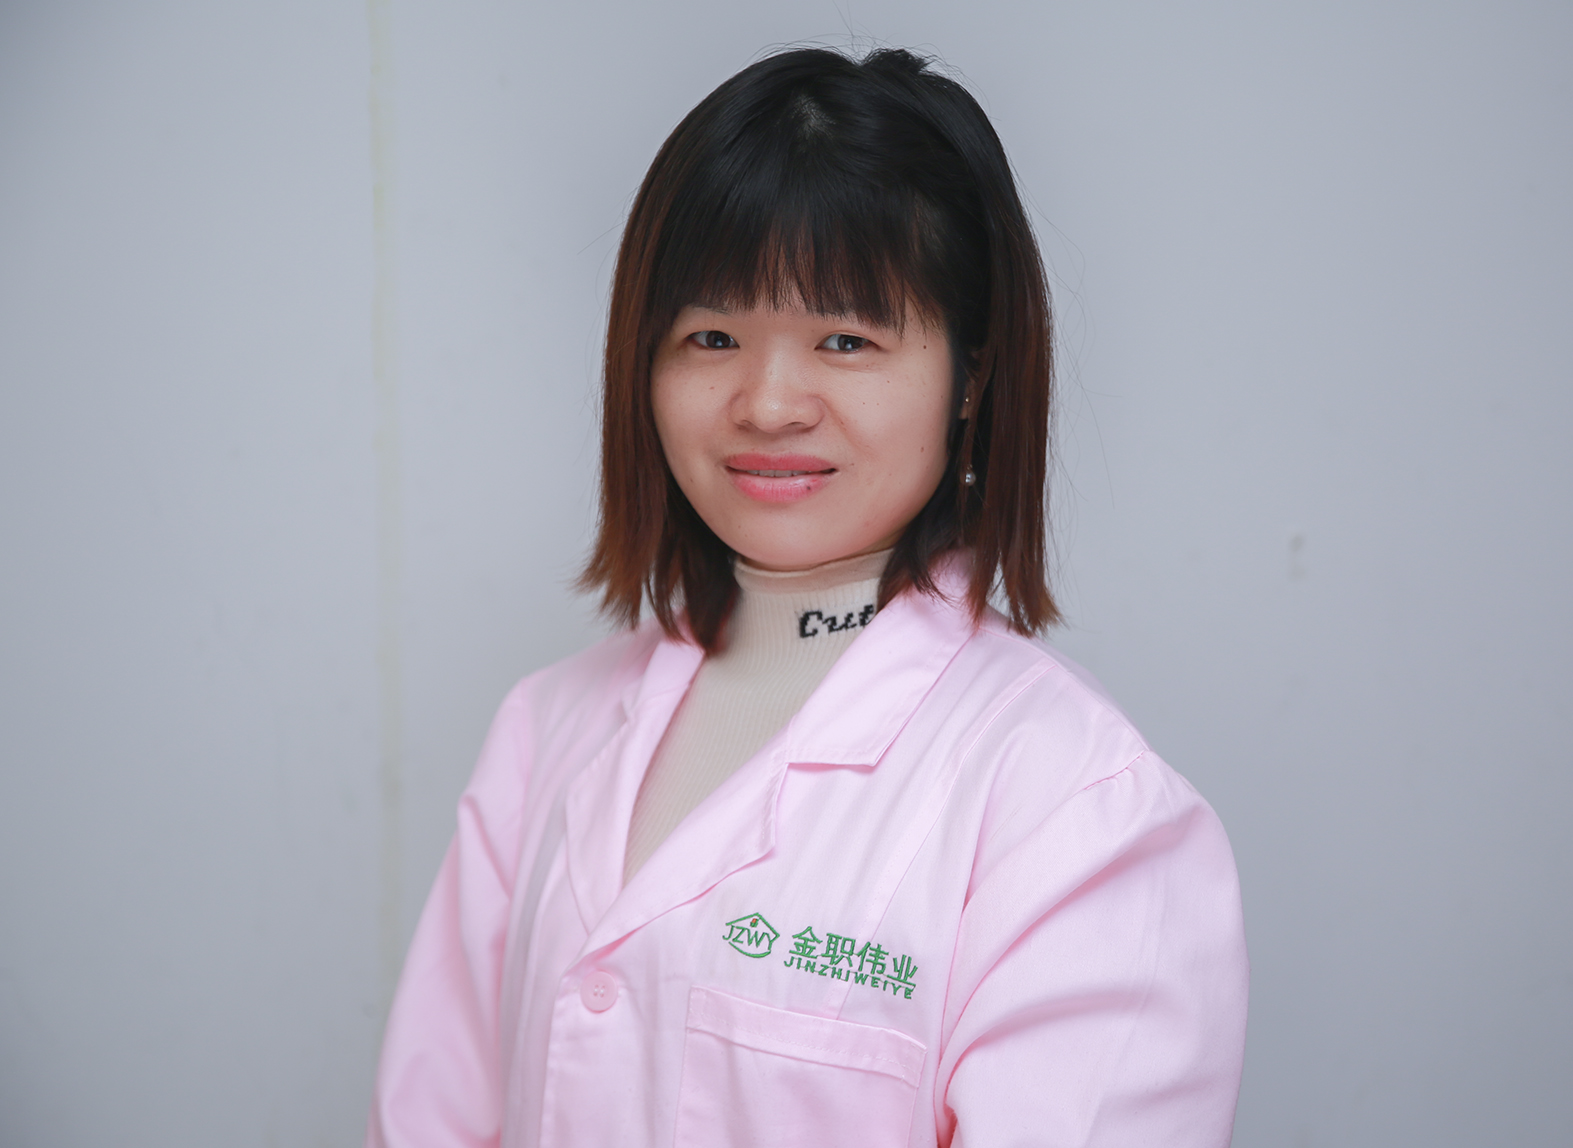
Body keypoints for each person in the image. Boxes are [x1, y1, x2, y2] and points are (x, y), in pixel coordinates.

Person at [367, 46, 1247, 1148]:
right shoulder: (547, 729)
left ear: (971, 376)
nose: (769, 403)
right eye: (712, 337)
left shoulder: (1075, 806)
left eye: (845, 339)